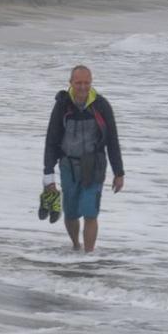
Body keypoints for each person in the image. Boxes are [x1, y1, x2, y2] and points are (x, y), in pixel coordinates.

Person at [42, 65, 125, 253]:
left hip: (94, 166)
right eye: (78, 83)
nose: (82, 87)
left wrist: (119, 172)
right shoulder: (62, 105)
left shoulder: (101, 105)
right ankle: (75, 245)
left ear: (91, 82)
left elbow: (112, 140)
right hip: (68, 165)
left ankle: (88, 256)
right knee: (71, 213)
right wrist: (48, 172)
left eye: (86, 83)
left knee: (90, 212)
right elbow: (52, 139)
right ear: (70, 83)